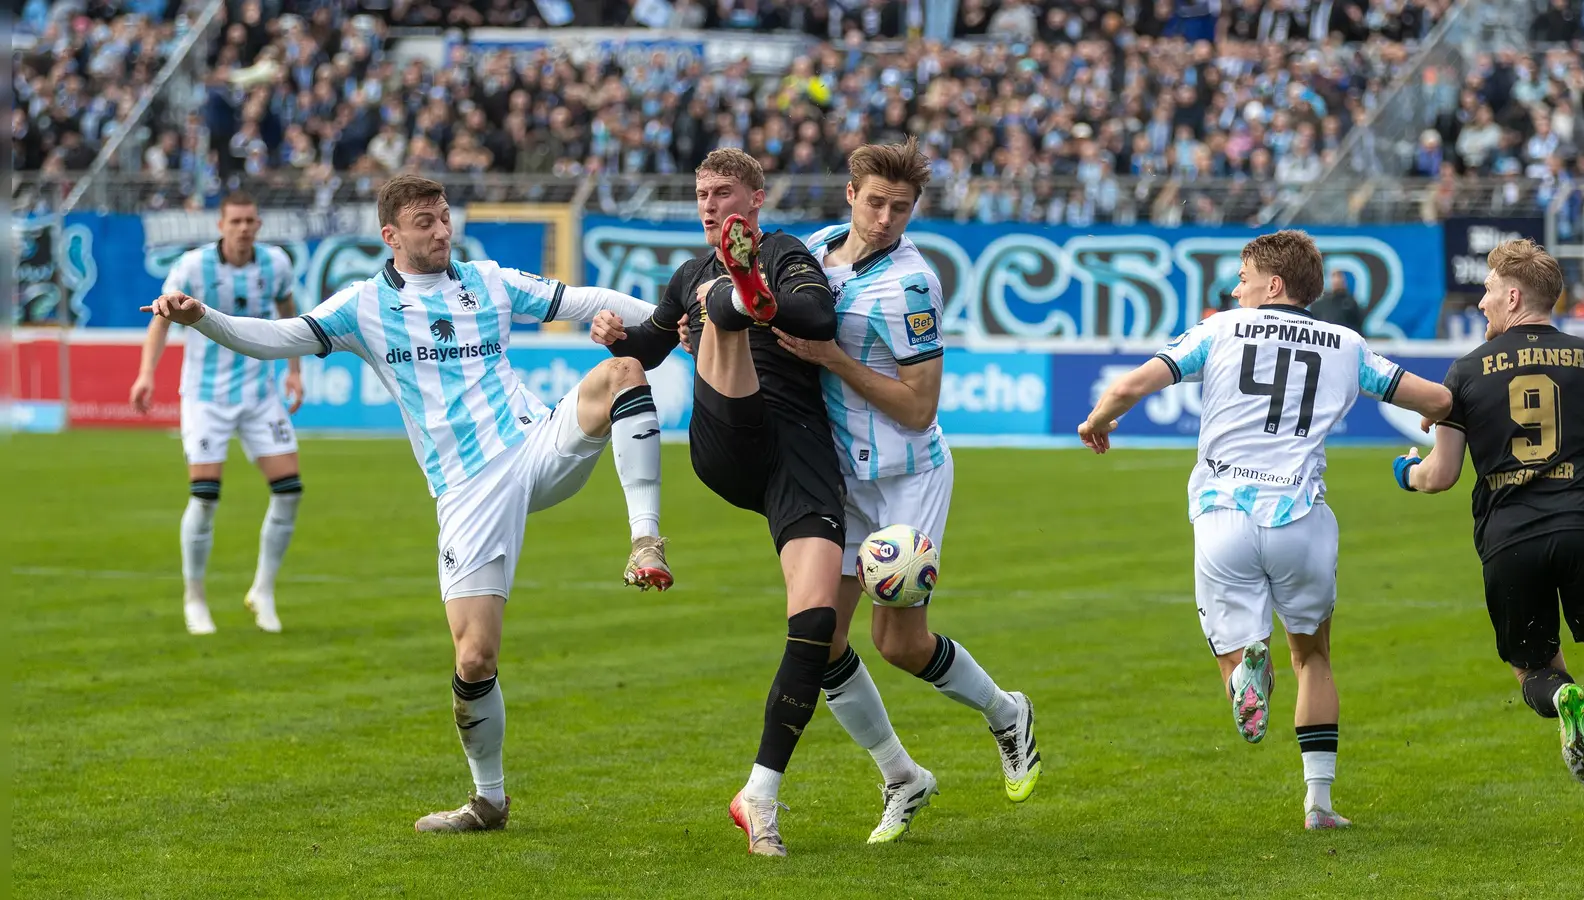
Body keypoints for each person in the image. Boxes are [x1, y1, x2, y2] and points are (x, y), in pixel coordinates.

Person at [142, 174, 674, 833]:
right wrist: (204, 320)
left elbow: (585, 296)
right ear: (391, 235)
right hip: (467, 489)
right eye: (425, 221)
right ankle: (488, 801)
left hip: (534, 443)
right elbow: (277, 335)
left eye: (445, 217)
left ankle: (646, 539)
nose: (442, 230)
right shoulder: (363, 307)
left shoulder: (489, 281)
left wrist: (664, 322)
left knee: (624, 370)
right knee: (474, 659)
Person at [1077, 230, 1453, 829]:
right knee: (1314, 658)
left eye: (1243, 277)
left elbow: (1129, 386)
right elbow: (1435, 399)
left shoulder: (1220, 328)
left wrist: (1098, 420)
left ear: (1272, 285)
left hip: (1225, 512)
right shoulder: (1346, 344)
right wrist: (1448, 435)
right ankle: (1320, 803)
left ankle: (1245, 674)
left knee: (1238, 653)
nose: (1235, 287)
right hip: (1301, 518)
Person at [773, 139, 1038, 845]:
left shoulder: (911, 287)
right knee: (819, 635)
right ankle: (901, 776)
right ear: (850, 195)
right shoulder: (816, 248)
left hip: (906, 476)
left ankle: (1007, 713)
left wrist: (830, 356)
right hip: (841, 474)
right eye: (876, 202)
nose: (887, 217)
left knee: (897, 643)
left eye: (902, 207)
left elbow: (920, 406)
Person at [591, 148, 843, 857]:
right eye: (701, 194)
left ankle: (759, 795)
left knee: (818, 624)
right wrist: (617, 335)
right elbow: (648, 346)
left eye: (723, 192)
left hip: (797, 454)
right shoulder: (690, 276)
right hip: (729, 442)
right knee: (717, 312)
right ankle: (740, 302)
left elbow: (817, 318)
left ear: (756, 199)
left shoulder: (790, 252)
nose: (708, 204)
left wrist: (765, 296)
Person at [1394, 238, 1584, 783]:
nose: (1480, 303)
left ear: (1511, 295)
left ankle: (1565, 698)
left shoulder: (1466, 372)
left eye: (1485, 292)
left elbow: (1440, 476)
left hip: (1512, 539)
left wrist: (1404, 472)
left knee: (1533, 668)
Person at [129, 192, 305, 636]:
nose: (244, 228)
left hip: (259, 393)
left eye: (250, 220)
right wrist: (146, 374)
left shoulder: (276, 265)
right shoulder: (193, 266)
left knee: (289, 490)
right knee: (205, 497)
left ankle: (262, 591)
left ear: (258, 224)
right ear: (221, 226)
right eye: (236, 221)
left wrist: (294, 370)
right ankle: (195, 597)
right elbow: (162, 317)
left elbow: (288, 311)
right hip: (207, 397)